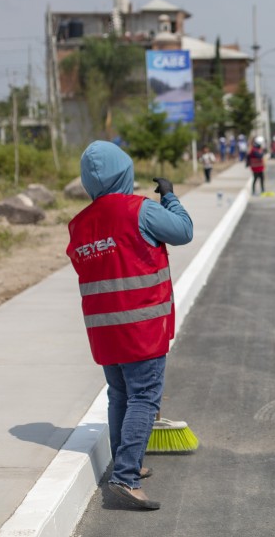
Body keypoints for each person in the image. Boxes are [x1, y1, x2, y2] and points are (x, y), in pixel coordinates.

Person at [66, 141, 193, 510]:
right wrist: (169, 196)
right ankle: (125, 476)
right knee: (144, 397)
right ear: (125, 173)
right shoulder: (140, 210)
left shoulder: (79, 224)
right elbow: (183, 231)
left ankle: (126, 462)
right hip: (141, 326)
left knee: (120, 394)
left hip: (104, 330)